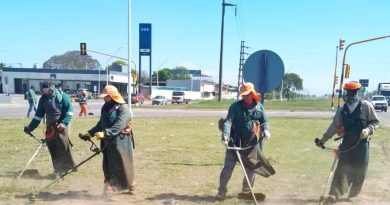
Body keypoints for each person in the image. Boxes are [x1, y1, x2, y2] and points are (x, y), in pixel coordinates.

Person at [315, 81, 380, 203]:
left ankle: (353, 195)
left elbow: (375, 122)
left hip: (361, 145)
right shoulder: (342, 110)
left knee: (360, 170)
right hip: (346, 145)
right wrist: (323, 140)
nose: (350, 94)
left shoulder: (366, 106)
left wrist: (368, 130)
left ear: (357, 92)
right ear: (346, 92)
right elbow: (334, 127)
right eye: (349, 92)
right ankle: (335, 194)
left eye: (353, 92)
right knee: (341, 169)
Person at [215, 82, 271, 201]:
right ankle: (221, 191)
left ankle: (246, 192)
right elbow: (228, 122)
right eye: (243, 95)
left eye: (247, 94)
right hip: (234, 144)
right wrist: (225, 136)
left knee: (251, 171)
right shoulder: (235, 107)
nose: (244, 97)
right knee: (227, 169)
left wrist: (266, 131)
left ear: (252, 94)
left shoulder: (259, 107)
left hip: (251, 146)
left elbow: (264, 122)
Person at [79, 85, 135, 196]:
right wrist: (90, 133)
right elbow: (101, 123)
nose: (104, 98)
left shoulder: (123, 109)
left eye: (106, 96)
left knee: (123, 163)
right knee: (108, 163)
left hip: (121, 141)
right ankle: (109, 185)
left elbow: (119, 125)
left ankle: (131, 184)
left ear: (113, 96)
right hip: (107, 141)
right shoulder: (105, 107)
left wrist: (105, 134)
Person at [24, 82, 76, 177]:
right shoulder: (43, 99)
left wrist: (64, 123)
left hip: (61, 127)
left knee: (62, 147)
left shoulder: (63, 96)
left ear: (50, 88)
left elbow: (70, 111)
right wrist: (30, 128)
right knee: (53, 148)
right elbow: (38, 115)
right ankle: (57, 170)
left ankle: (65, 169)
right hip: (49, 128)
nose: (43, 93)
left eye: (45, 90)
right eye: (43, 91)